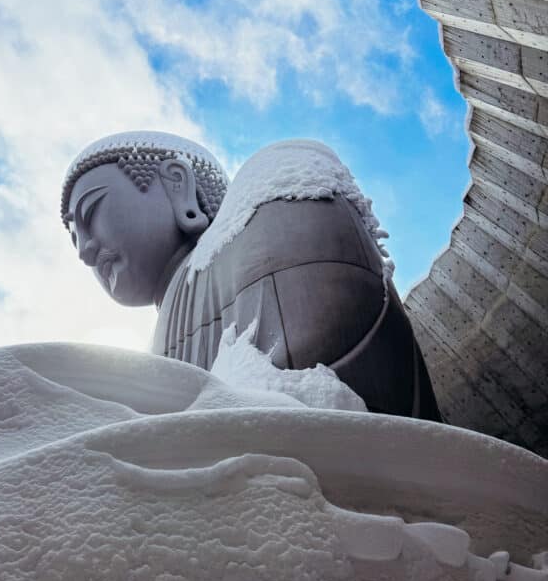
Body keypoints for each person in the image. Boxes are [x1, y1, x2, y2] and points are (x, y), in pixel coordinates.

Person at [62, 131, 442, 421]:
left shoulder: (273, 195)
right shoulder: (152, 345)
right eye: (75, 237)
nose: (84, 251)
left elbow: (323, 369)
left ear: (177, 185)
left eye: (91, 213)